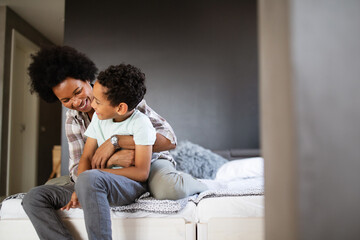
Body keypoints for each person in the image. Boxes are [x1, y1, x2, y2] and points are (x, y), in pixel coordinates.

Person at [22, 46, 207, 239]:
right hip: (100, 174)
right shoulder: (76, 119)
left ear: (86, 79)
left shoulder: (126, 100)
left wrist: (116, 142)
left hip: (147, 162)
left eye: (77, 92)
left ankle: (198, 183)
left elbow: (169, 140)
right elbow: (80, 163)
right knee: (37, 195)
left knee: (169, 188)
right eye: (66, 100)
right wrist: (110, 160)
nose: (76, 102)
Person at [60, 64, 157, 239]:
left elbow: (142, 173)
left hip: (129, 185)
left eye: (97, 101)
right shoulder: (100, 118)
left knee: (90, 177)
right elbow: (86, 156)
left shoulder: (141, 123)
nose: (93, 105)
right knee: (35, 197)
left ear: (120, 108)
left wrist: (95, 173)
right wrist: (79, 187)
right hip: (94, 183)